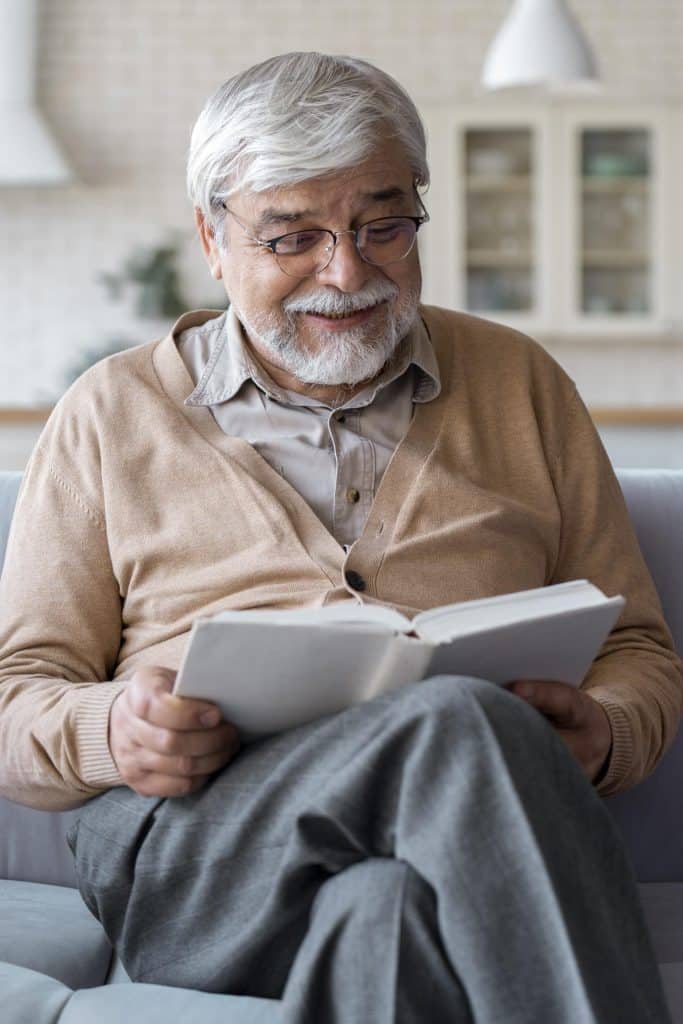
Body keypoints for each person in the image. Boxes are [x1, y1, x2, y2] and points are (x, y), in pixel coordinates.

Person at [0, 51, 679, 1023]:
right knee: (455, 722)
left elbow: (638, 650)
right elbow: (15, 695)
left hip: (450, 848)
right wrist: (110, 731)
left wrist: (605, 727)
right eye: (293, 238)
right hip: (202, 858)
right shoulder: (109, 412)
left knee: (385, 913)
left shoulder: (521, 386)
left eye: (383, 227)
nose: (347, 272)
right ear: (212, 237)